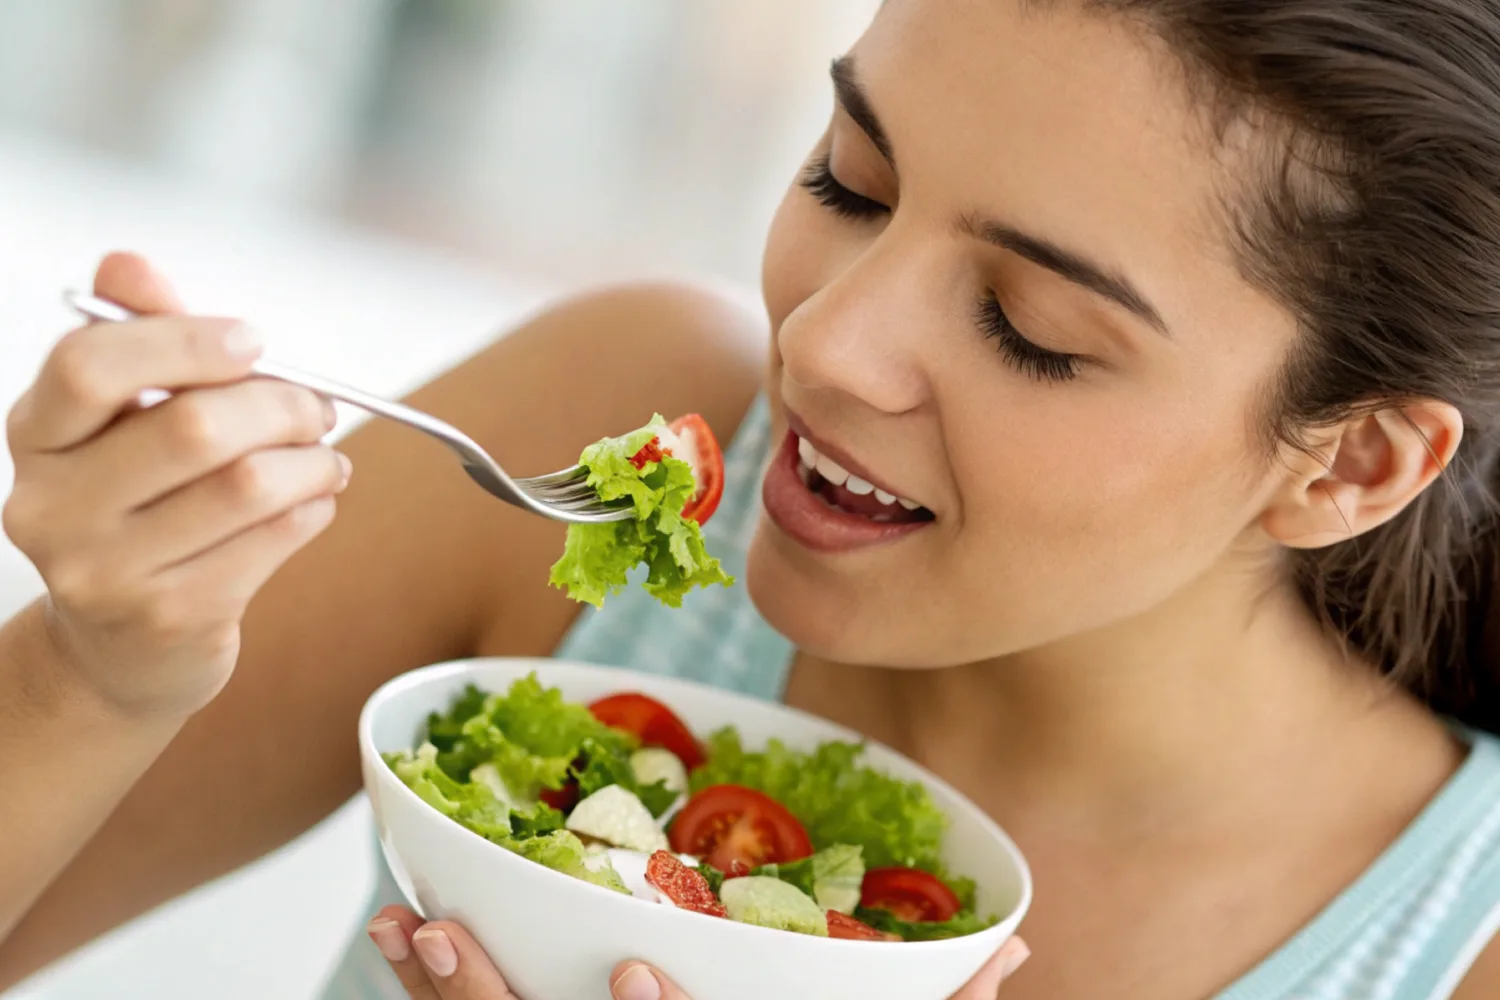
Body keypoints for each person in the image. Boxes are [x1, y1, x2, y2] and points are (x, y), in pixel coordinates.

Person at [4, 0, 1500, 997]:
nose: (824, 344)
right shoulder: (621, 425)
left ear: (1352, 461)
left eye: (1029, 328)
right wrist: (97, 675)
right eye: (852, 181)